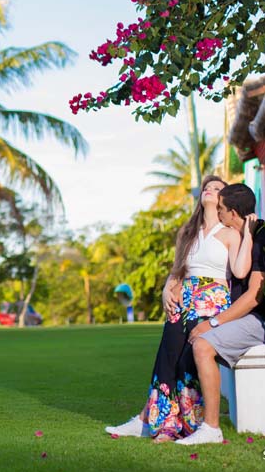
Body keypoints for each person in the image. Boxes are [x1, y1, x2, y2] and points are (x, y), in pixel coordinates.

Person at [105, 175, 253, 442]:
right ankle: (158, 424)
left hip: (212, 304)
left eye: (216, 188)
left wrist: (249, 235)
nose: (209, 190)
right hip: (183, 300)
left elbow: (240, 270)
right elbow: (177, 272)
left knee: (187, 360)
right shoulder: (187, 233)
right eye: (206, 187)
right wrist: (165, 289)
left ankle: (180, 424)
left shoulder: (231, 233)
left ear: (224, 199)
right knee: (167, 358)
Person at [176, 183, 265, 446]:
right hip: (236, 316)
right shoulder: (236, 235)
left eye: (222, 209)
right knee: (184, 334)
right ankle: (177, 416)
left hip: (261, 321)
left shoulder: (261, 237)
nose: (219, 214)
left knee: (202, 345)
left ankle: (211, 428)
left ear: (233, 212)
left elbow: (253, 297)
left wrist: (213, 323)